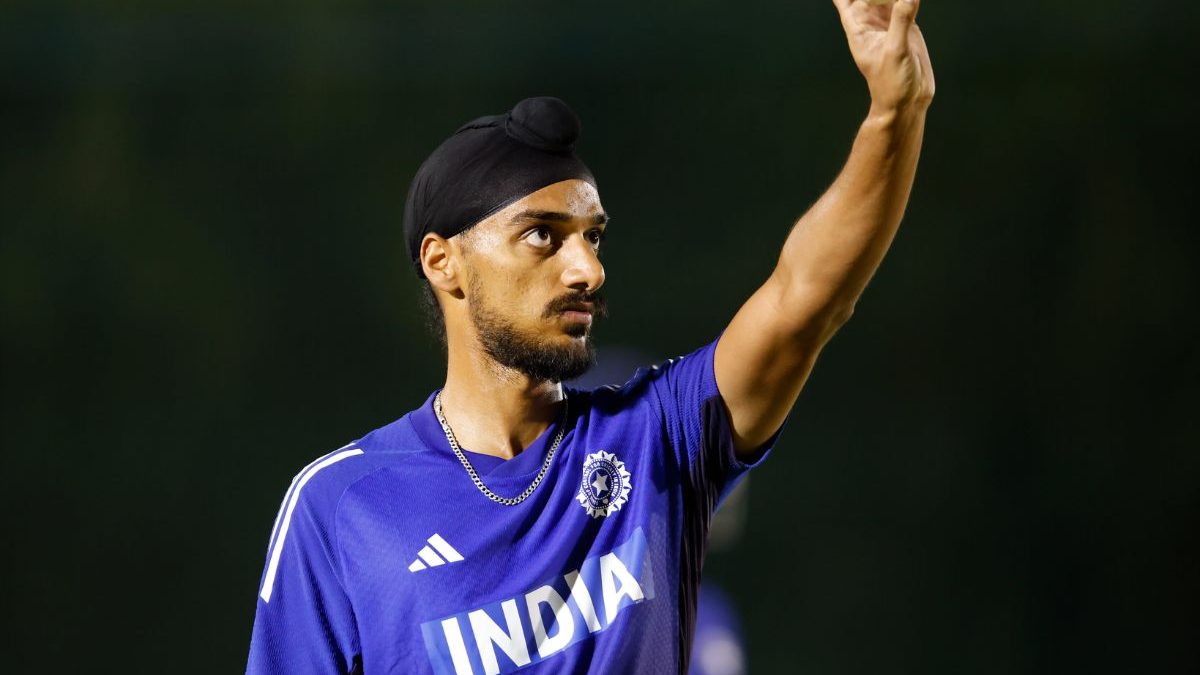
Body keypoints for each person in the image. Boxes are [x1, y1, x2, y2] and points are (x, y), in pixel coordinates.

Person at [245, 1, 934, 672]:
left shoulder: (655, 439)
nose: (587, 269)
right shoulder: (340, 507)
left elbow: (805, 301)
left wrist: (893, 113)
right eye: (542, 235)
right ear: (443, 260)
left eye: (593, 236)